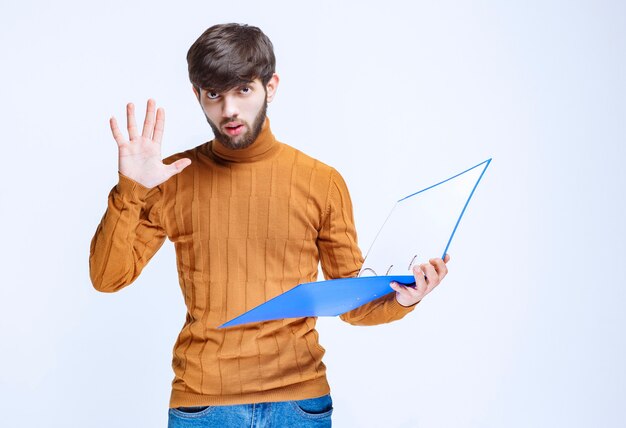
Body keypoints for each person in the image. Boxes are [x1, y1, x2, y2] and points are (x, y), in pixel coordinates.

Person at [89, 23, 449, 427]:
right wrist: (130, 190)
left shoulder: (320, 181)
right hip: (204, 406)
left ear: (270, 86)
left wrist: (405, 298)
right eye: (214, 94)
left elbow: (349, 296)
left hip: (299, 404)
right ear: (198, 96)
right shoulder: (173, 178)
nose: (229, 110)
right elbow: (108, 277)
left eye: (243, 89)